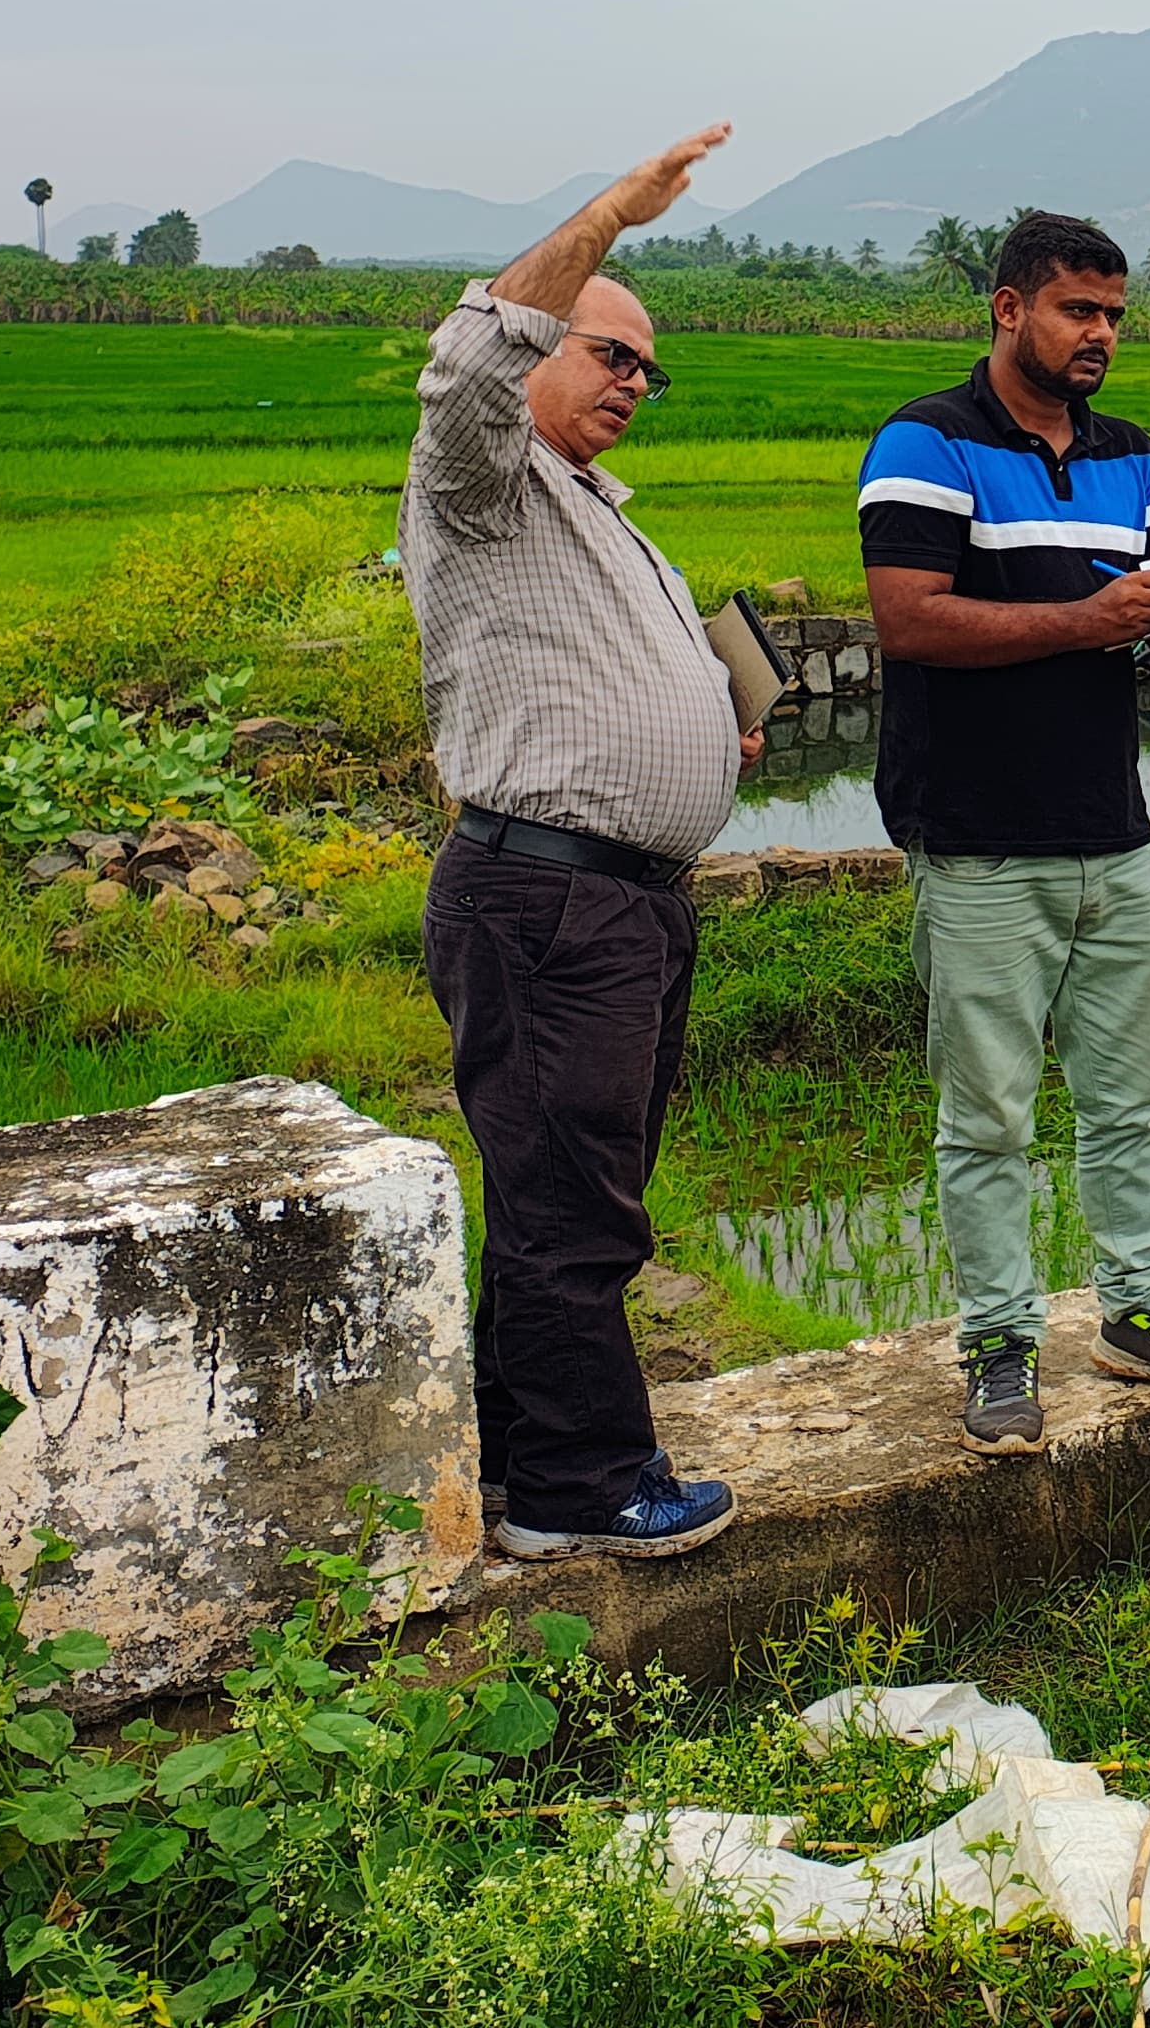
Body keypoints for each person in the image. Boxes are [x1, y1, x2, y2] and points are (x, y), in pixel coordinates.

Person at [858, 210, 1150, 1455]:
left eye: (1114, 315)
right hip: (978, 838)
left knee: (1131, 1097)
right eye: (1078, 310)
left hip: (1112, 830)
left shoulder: (1131, 457)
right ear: (1009, 308)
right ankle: (1000, 1345)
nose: (1100, 336)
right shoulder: (927, 441)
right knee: (990, 1115)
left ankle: (1139, 1308)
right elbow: (910, 621)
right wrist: (1083, 619)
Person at [404, 125, 760, 1561]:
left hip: (617, 903)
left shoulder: (597, 513)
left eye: (646, 369)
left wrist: (705, 734)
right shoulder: (481, 484)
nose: (632, 383)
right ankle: (584, 1488)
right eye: (609, 352)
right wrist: (612, 215)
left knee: (568, 1190)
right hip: (550, 903)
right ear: (546, 350)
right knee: (571, 1206)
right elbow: (469, 361)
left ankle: (509, 1453)